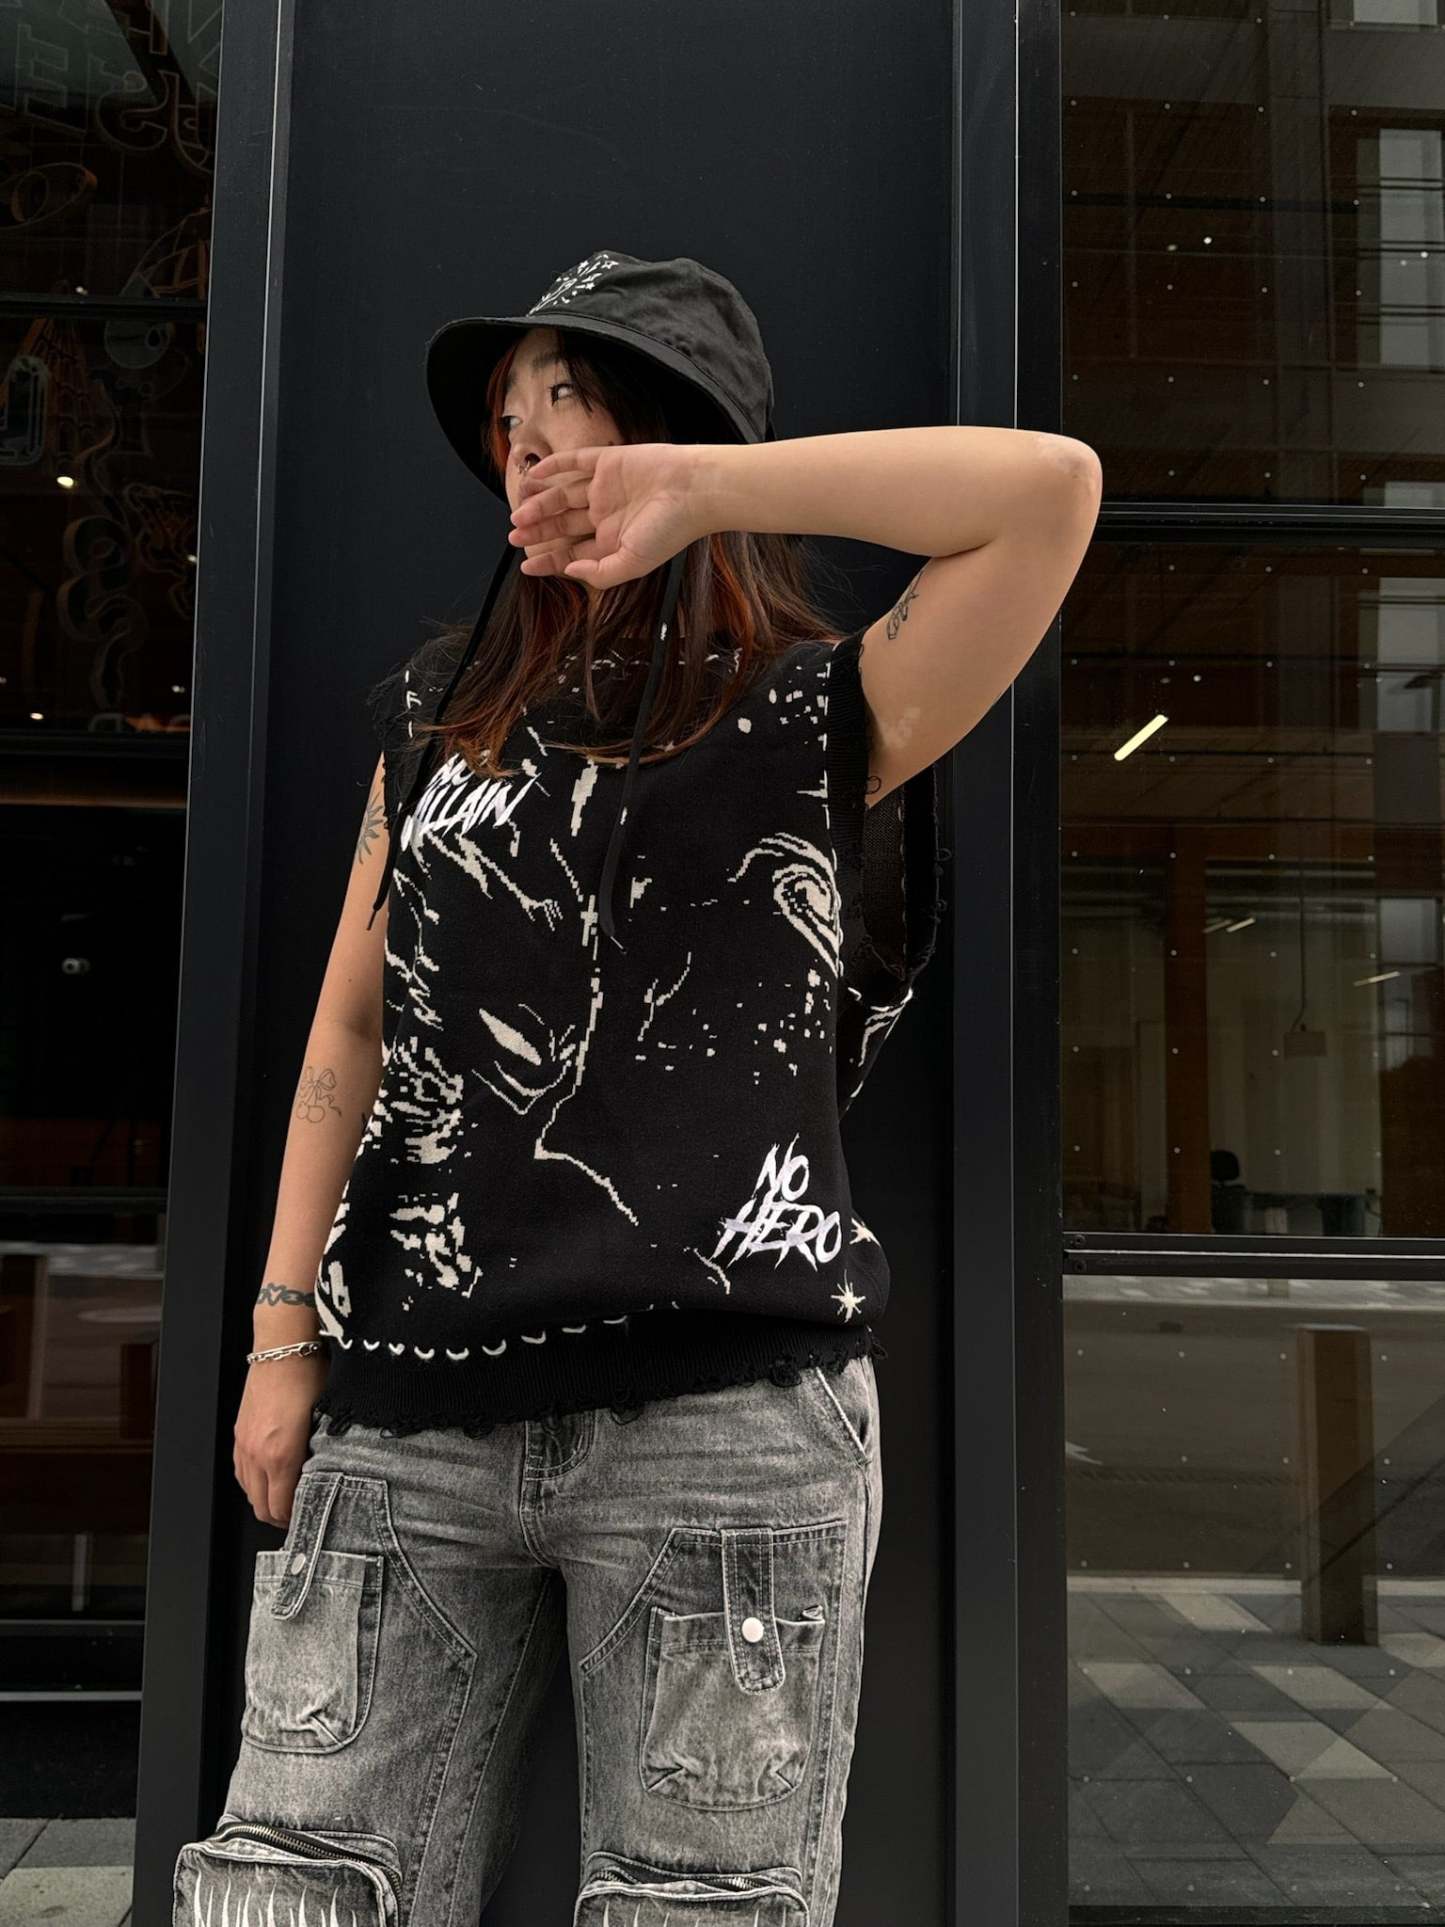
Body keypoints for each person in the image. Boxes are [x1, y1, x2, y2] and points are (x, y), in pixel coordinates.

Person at [173, 249, 1101, 1926]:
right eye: (503, 415)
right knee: (289, 1889)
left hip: (721, 1420)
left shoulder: (828, 708)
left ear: (670, 427)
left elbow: (1044, 491)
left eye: (570, 395)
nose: (523, 438)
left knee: (700, 1906)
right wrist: (280, 1335)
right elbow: (351, 1032)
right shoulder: (439, 713)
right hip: (408, 1406)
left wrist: (707, 492)